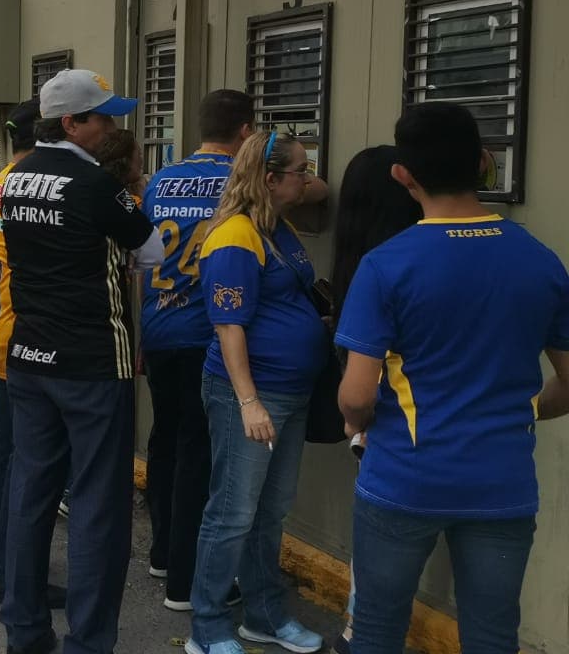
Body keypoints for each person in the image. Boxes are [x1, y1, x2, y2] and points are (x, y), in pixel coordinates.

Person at [337, 104, 569, 654]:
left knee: (375, 628)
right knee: (492, 635)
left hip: (402, 478)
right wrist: (528, 410)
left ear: (403, 175)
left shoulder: (385, 265)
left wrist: (358, 422)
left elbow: (356, 395)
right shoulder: (539, 260)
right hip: (502, 481)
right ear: (484, 164)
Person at [0, 69, 156, 654]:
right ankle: (88, 642)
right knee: (97, 505)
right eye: (103, 117)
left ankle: (24, 630)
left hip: (29, 355)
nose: (112, 127)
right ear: (71, 122)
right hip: (91, 361)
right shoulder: (93, 183)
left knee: (31, 492)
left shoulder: (15, 179)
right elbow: (153, 247)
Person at [184, 130, 329, 654]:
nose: (309, 180)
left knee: (271, 511)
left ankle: (264, 614)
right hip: (247, 395)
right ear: (271, 180)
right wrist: (248, 401)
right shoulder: (236, 236)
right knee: (231, 513)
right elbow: (228, 326)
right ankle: (208, 626)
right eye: (301, 171)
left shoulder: (276, 226)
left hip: (291, 392)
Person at [139, 90, 253, 611]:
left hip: (159, 326)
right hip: (210, 335)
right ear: (246, 131)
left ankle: (163, 550)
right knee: (200, 453)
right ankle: (186, 579)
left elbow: (139, 258)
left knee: (165, 439)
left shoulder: (161, 180)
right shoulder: (239, 182)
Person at [324, 145, 422, 654]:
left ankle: (358, 630)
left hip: (368, 416)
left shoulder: (356, 261)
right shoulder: (403, 263)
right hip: (404, 416)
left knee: (375, 538)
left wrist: (354, 420)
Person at [0, 98, 68, 610]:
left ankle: (0, 561)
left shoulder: (3, 180)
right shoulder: (32, 183)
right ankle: (16, 574)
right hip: (23, 335)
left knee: (6, 456)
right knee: (26, 462)